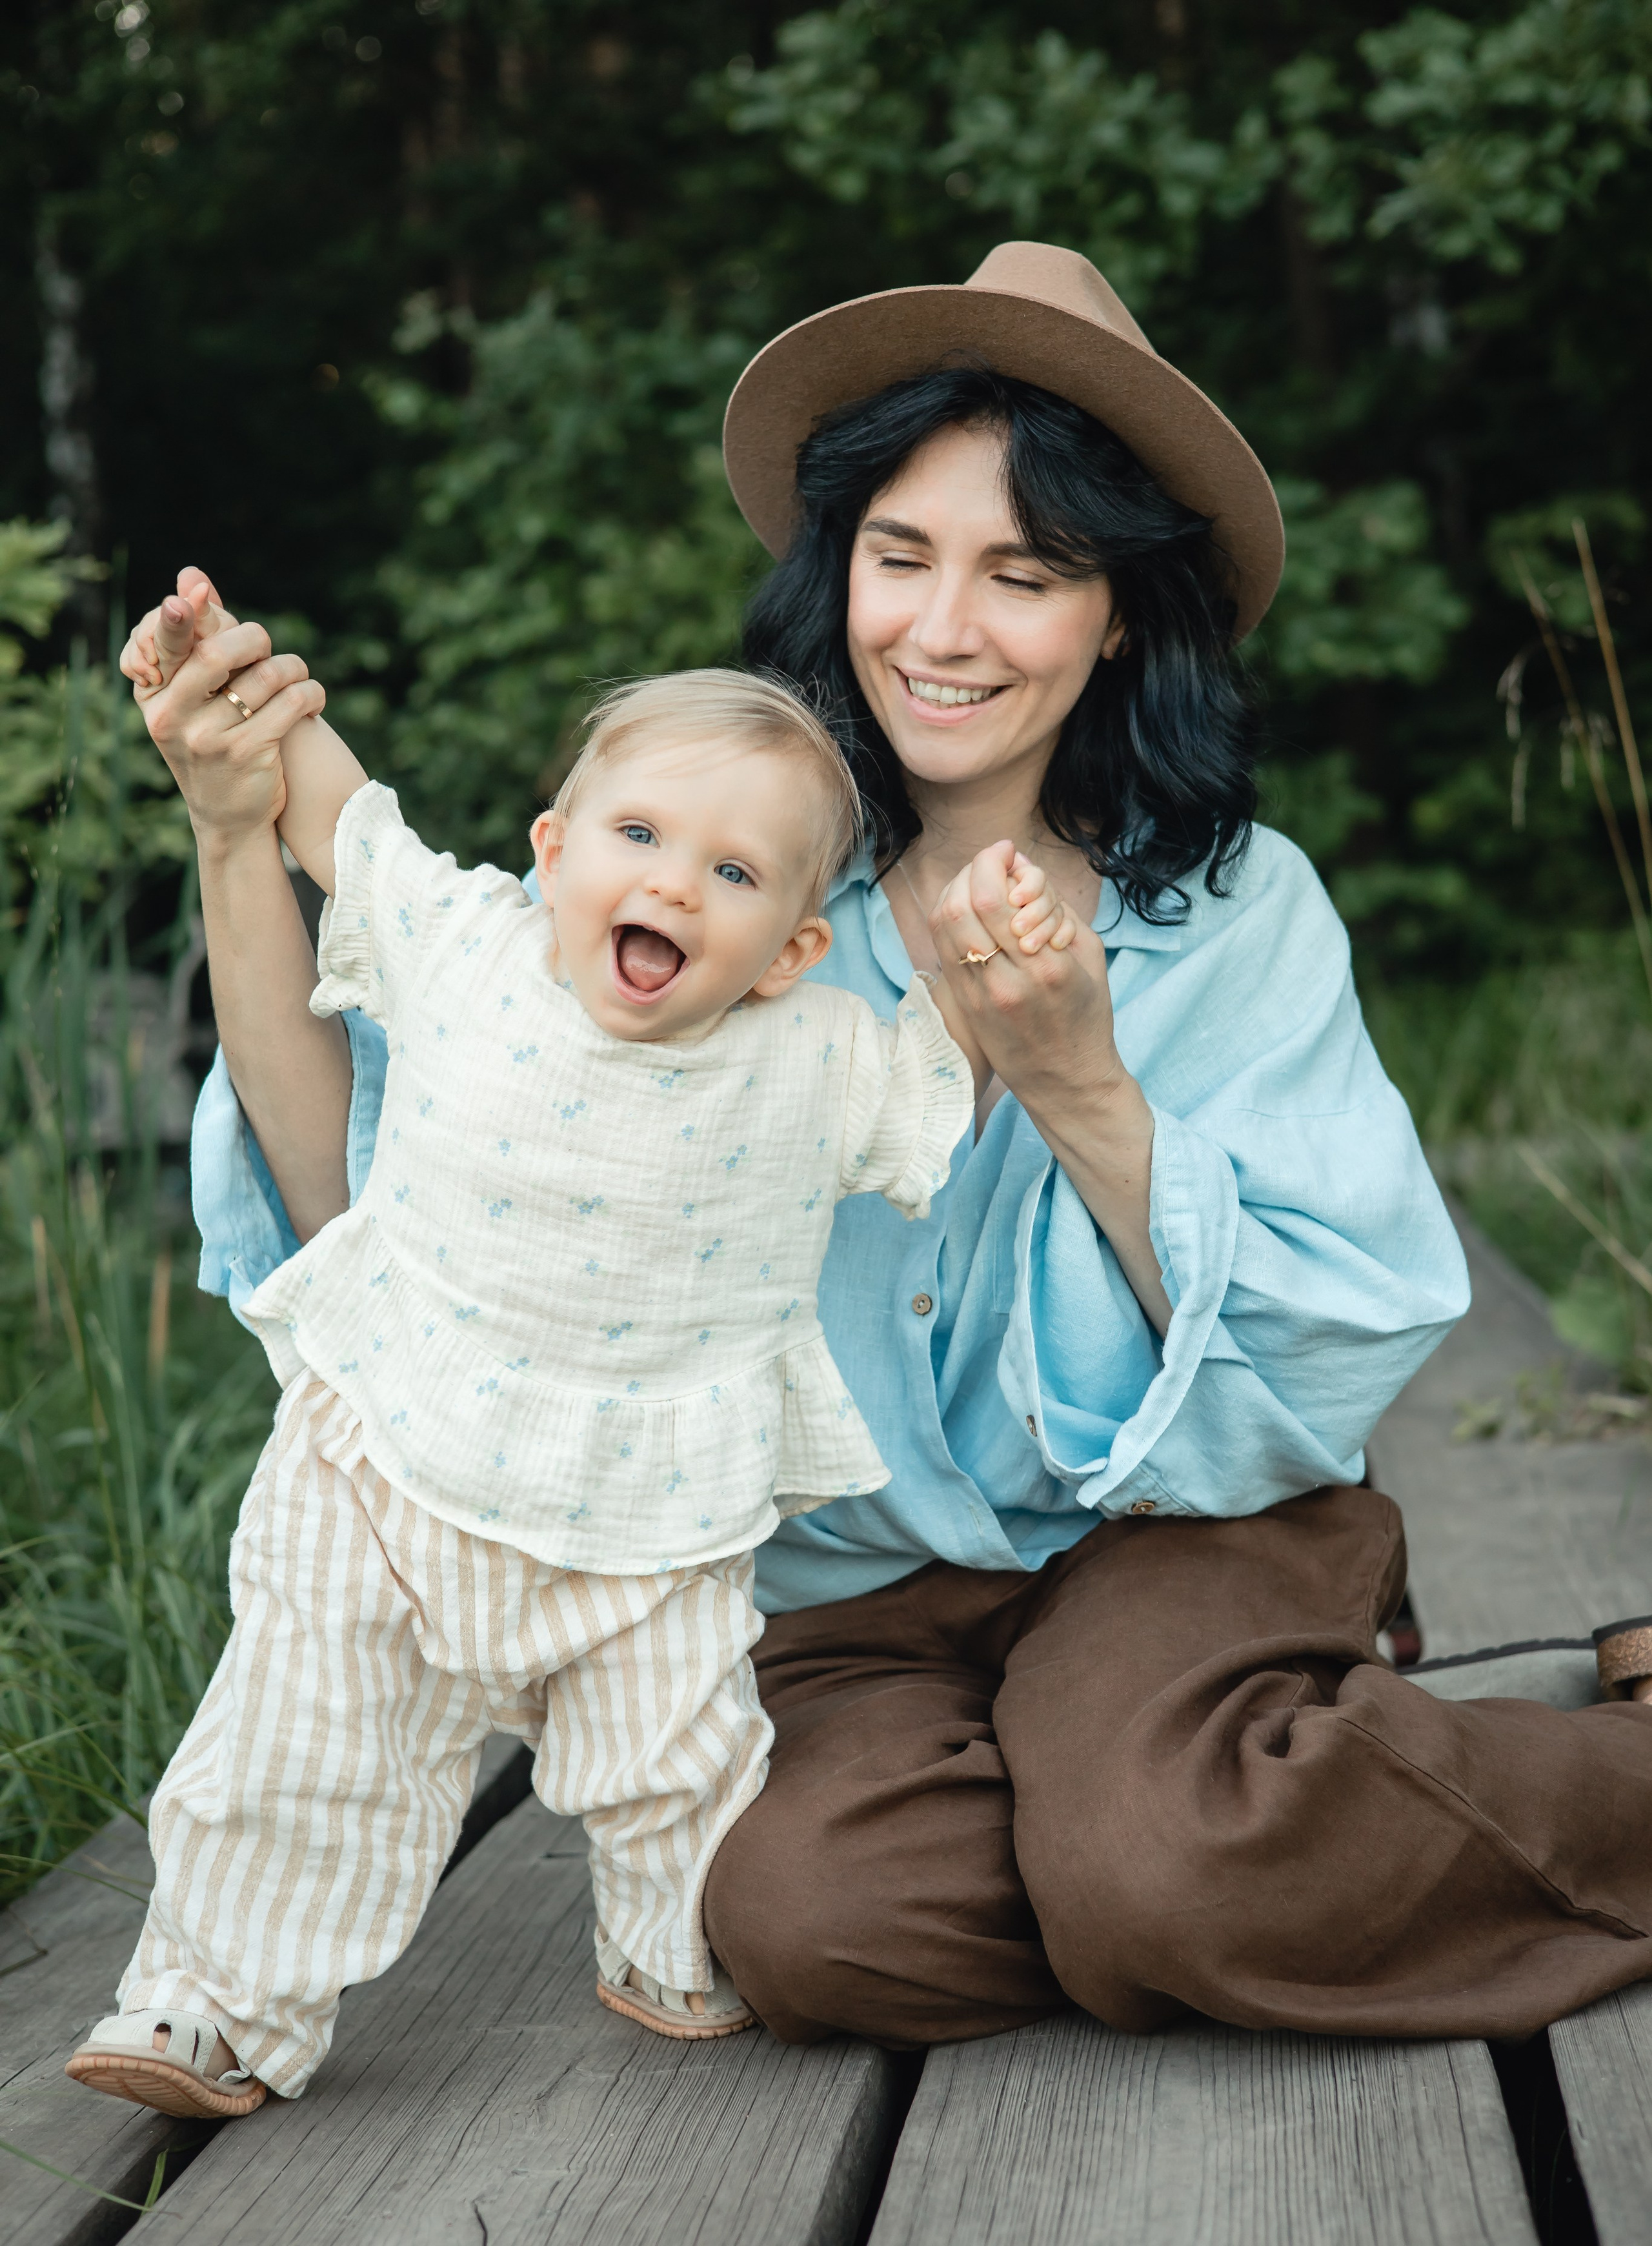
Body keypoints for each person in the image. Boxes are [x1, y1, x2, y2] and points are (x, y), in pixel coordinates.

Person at [107, 242, 1652, 2064]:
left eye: (1026, 572)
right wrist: (233, 840)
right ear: (838, 568)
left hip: (1175, 1536)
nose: (942, 627)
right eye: (901, 555)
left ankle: (1400, 1789)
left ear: (1122, 613)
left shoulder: (1238, 920)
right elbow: (368, 1195)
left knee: (1162, 1860)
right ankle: (1211, 1807)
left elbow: (1326, 1358)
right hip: (848, 1599)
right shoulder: (714, 873)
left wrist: (1078, 1080)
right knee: (805, 1930)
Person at [66, 664, 1063, 2119]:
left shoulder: (815, 1054)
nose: (673, 884)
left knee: (682, 1763)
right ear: (552, 853)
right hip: (386, 1465)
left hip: (655, 1515)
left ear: (788, 952)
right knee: (299, 1741)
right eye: (639, 838)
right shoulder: (468, 944)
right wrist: (256, 702)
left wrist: (989, 970)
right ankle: (212, 2004)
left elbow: (944, 1072)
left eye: (731, 873)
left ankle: (667, 1952)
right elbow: (342, 826)